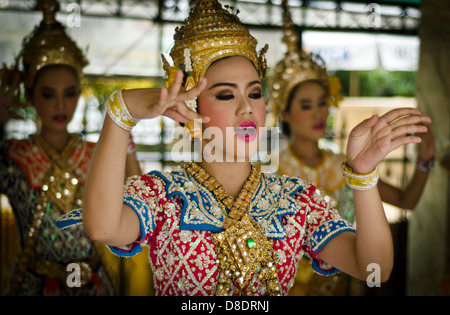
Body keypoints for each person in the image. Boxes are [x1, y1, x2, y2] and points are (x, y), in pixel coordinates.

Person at [57, 0, 431, 296]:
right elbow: (103, 227)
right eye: (225, 95)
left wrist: (363, 176)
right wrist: (120, 113)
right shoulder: (164, 196)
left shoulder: (295, 200)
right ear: (191, 107)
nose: (246, 107)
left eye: (255, 93)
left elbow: (374, 272)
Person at [268, 0, 436, 296]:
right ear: (284, 112)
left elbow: (405, 201)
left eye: (322, 103)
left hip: (344, 284)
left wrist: (425, 162)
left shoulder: (344, 163)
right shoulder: (269, 170)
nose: (318, 113)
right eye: (306, 105)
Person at [0, 0, 140, 295]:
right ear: (31, 95)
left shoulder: (97, 151)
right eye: (49, 94)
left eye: (70, 93)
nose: (61, 105)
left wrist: (125, 139)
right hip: (33, 284)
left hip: (94, 283)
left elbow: (136, 201)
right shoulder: (13, 154)